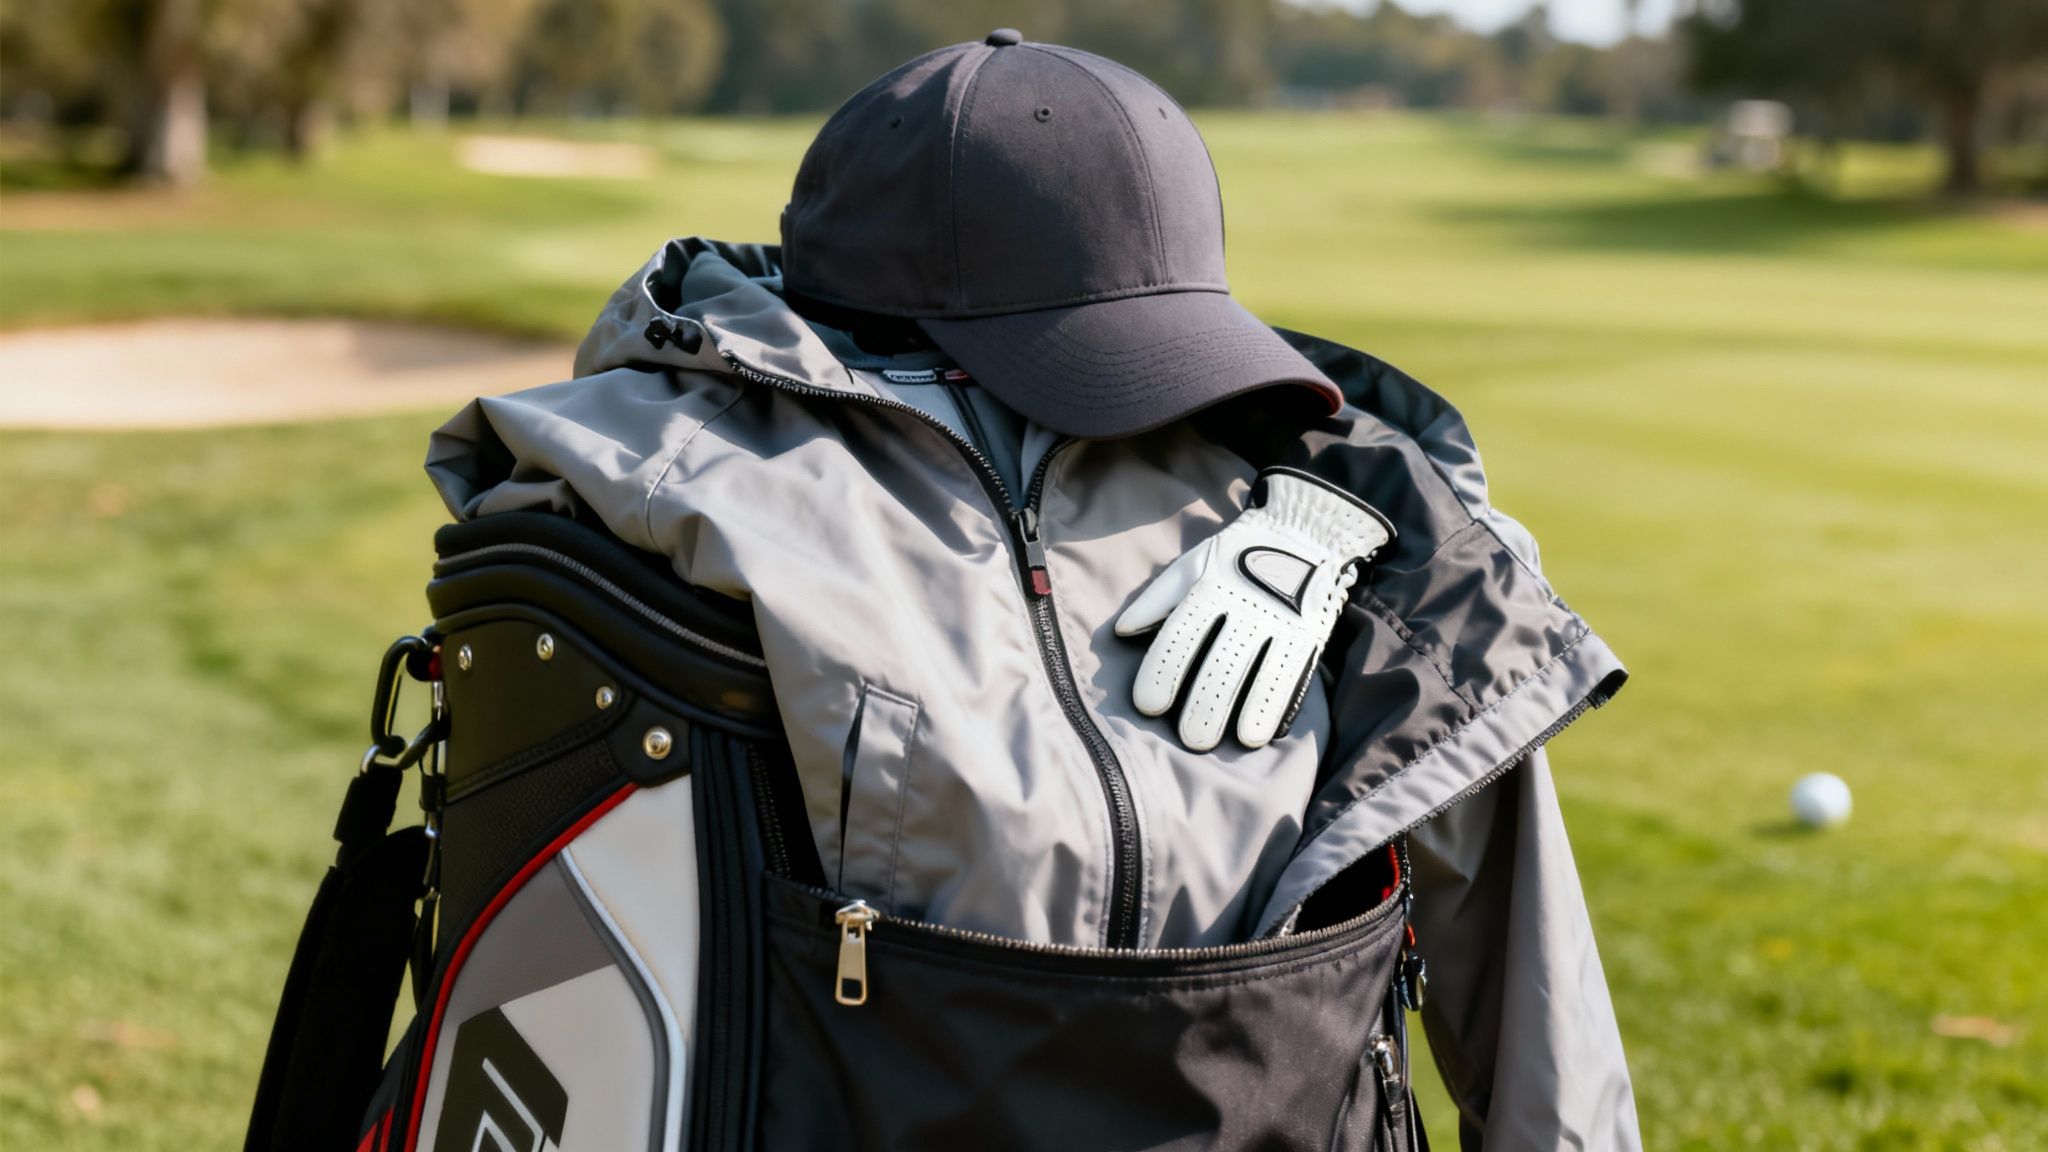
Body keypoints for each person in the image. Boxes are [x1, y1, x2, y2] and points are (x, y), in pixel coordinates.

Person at [429, 30, 1639, 1149]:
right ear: (920, 338)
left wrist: (1374, 504)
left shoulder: (1332, 513)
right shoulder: (670, 476)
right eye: (1115, 342)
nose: (1182, 399)